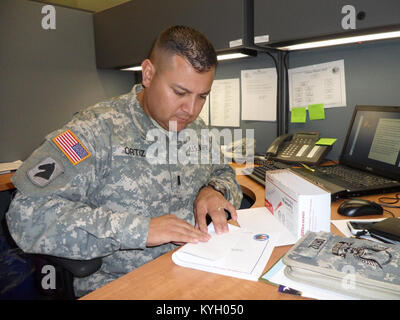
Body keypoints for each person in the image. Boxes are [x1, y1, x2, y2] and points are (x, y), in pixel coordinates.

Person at [6, 25, 243, 297]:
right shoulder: (94, 131)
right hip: (125, 285)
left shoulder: (197, 129)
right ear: (149, 74)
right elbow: (26, 215)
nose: (191, 110)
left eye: (202, 96)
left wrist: (214, 189)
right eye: (179, 92)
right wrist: (139, 229)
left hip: (198, 274)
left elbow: (224, 171)